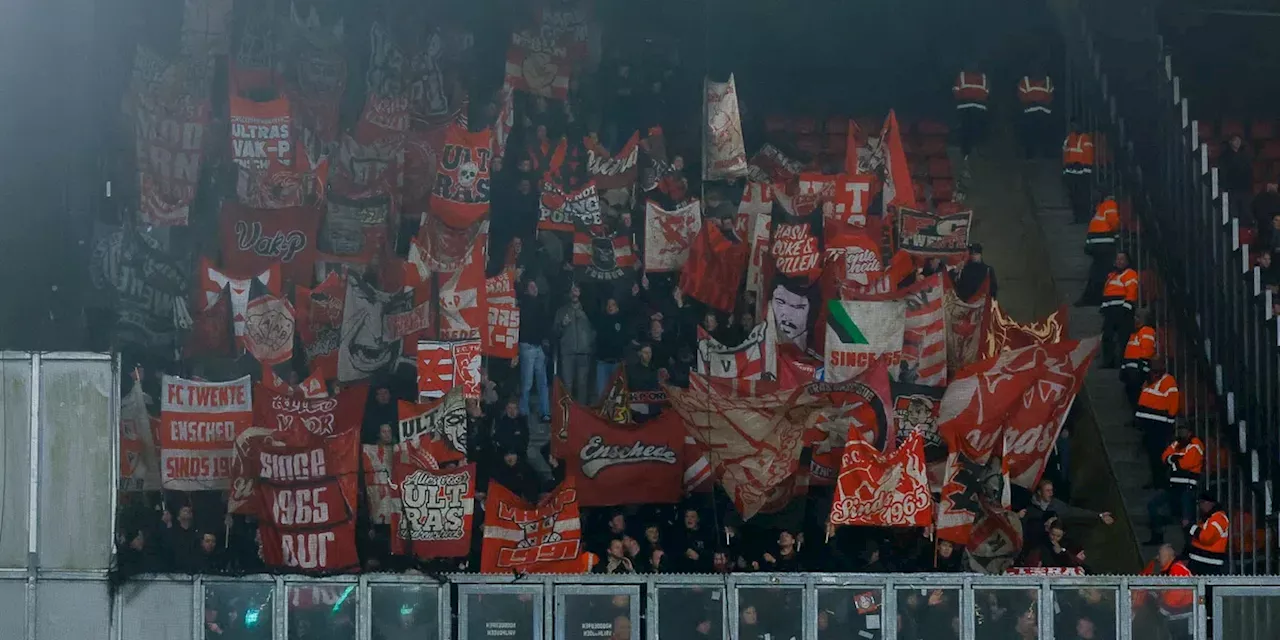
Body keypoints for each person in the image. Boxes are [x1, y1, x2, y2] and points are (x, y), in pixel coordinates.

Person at [1145, 423, 1203, 545]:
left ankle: (1189, 546)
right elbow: (1164, 457)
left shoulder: (1196, 444)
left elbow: (1187, 462)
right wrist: (1175, 459)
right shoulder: (1177, 443)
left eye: (1183, 430)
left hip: (1187, 487)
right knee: (1153, 505)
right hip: (1173, 486)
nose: (1181, 433)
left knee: (1187, 519)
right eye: (1179, 430)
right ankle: (1157, 535)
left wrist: (1173, 460)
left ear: (1189, 432)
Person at [1135, 361, 1180, 487]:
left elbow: (1173, 401)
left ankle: (1161, 480)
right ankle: (1156, 480)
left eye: (1156, 371)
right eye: (1152, 371)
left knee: (1159, 454)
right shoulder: (1149, 382)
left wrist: (1170, 418)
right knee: (1152, 454)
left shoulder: (1168, 381)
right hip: (1149, 424)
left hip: (1160, 425)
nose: (1153, 374)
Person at [1136, 544, 1194, 639]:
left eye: (1160, 554)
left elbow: (1175, 595)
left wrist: (1162, 612)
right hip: (1179, 618)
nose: (1158, 558)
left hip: (1185, 619)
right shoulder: (1170, 571)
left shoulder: (1177, 569)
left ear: (1169, 556)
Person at [1020, 479, 1115, 534]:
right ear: (1039, 492)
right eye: (1047, 491)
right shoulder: (1028, 504)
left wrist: (1099, 515)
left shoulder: (1057, 505)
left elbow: (1075, 512)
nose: (1051, 493)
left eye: (1051, 490)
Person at [517, 279, 552, 421]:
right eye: (531, 287)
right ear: (526, 290)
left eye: (536, 286)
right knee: (527, 382)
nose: (535, 289)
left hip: (539, 347)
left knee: (542, 382)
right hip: (527, 346)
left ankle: (545, 411)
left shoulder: (541, 305)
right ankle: (523, 412)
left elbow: (545, 324)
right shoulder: (522, 305)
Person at [1076, 194, 1119, 306]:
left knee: (1097, 271)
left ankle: (1091, 298)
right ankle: (1095, 298)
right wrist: (1118, 233)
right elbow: (1113, 223)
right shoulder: (1110, 204)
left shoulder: (1100, 208)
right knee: (1103, 272)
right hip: (1104, 243)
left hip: (1094, 243)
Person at [555, 283, 595, 404]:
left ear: (580, 293)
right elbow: (555, 332)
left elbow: (595, 330)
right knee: (567, 384)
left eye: (576, 290)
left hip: (584, 353)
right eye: (572, 291)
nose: (574, 293)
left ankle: (582, 414)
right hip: (567, 353)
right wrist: (563, 324)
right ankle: (569, 414)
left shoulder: (587, 310)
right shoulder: (561, 311)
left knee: (582, 385)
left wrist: (589, 344)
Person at [1098, 251, 1138, 368]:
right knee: (1107, 337)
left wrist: (1127, 307)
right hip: (1111, 311)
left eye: (1122, 259)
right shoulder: (1112, 275)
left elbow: (1132, 291)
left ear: (1127, 261)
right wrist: (1104, 308)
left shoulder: (1130, 274)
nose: (1119, 261)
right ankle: (1109, 362)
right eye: (1117, 259)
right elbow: (1107, 293)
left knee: (1124, 338)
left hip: (1122, 311)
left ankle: (1124, 363)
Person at [593, 297, 628, 402]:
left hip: (617, 363)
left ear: (617, 307)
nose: (610, 307)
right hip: (602, 363)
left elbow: (625, 340)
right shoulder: (601, 320)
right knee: (602, 393)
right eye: (608, 305)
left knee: (617, 394)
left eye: (612, 304)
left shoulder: (623, 321)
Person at [1120, 310, 1157, 405]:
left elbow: (1147, 351)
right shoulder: (1135, 334)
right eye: (1135, 316)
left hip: (1137, 371)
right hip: (1131, 370)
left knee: (1135, 395)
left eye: (1138, 317)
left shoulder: (1147, 331)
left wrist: (1142, 370)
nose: (1135, 319)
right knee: (1131, 394)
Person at [1187, 493, 1230, 575]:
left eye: (1202, 503)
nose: (1200, 506)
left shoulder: (1219, 518)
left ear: (1210, 503)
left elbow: (1207, 538)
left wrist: (1194, 528)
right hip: (1201, 563)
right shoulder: (1208, 518)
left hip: (1209, 566)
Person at [952, 67, 990, 158]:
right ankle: (977, 151)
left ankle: (966, 152)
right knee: (977, 130)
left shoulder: (962, 75)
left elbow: (955, 90)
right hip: (979, 107)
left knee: (966, 130)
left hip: (965, 106)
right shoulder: (983, 77)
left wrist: (961, 99)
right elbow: (987, 92)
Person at [1062, 121, 1096, 223]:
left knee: (1083, 196)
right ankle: (1077, 217)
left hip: (1082, 174)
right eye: (1073, 125)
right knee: (1074, 197)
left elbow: (1089, 156)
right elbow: (1065, 153)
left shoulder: (1086, 139)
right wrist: (1065, 171)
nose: (1075, 127)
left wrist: (1086, 172)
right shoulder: (1069, 138)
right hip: (1071, 172)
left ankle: (1084, 217)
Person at [1017, 69, 1055, 158]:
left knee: (1041, 135)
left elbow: (1051, 98)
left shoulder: (1048, 81)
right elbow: (1021, 98)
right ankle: (1032, 154)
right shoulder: (1025, 81)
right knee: (1031, 135)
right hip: (1031, 115)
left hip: (1042, 114)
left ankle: (1042, 154)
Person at [1219, 135, 1253, 221]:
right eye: (1235, 140)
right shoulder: (1225, 157)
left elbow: (1249, 171)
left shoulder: (1245, 155)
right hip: (1232, 189)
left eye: (1239, 140)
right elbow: (1224, 172)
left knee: (1245, 212)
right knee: (1233, 213)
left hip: (1244, 188)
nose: (1238, 142)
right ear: (1230, 142)